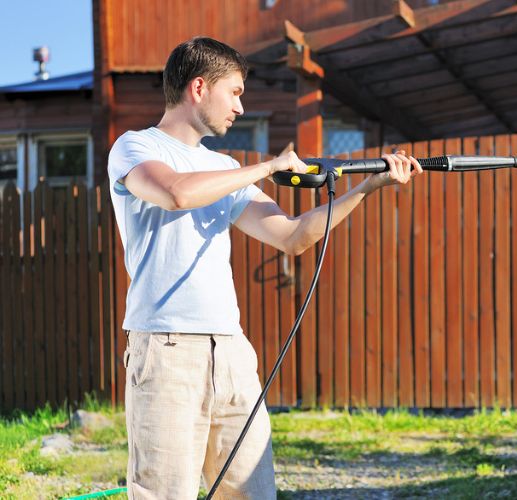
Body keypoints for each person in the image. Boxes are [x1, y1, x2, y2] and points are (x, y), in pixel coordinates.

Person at [107, 37, 422, 499]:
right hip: (166, 349)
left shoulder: (224, 166)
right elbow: (176, 193)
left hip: (232, 353)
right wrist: (267, 167)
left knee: (254, 492)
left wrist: (367, 188)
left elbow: (292, 236)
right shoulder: (134, 148)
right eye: (234, 91)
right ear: (199, 88)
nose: (240, 105)